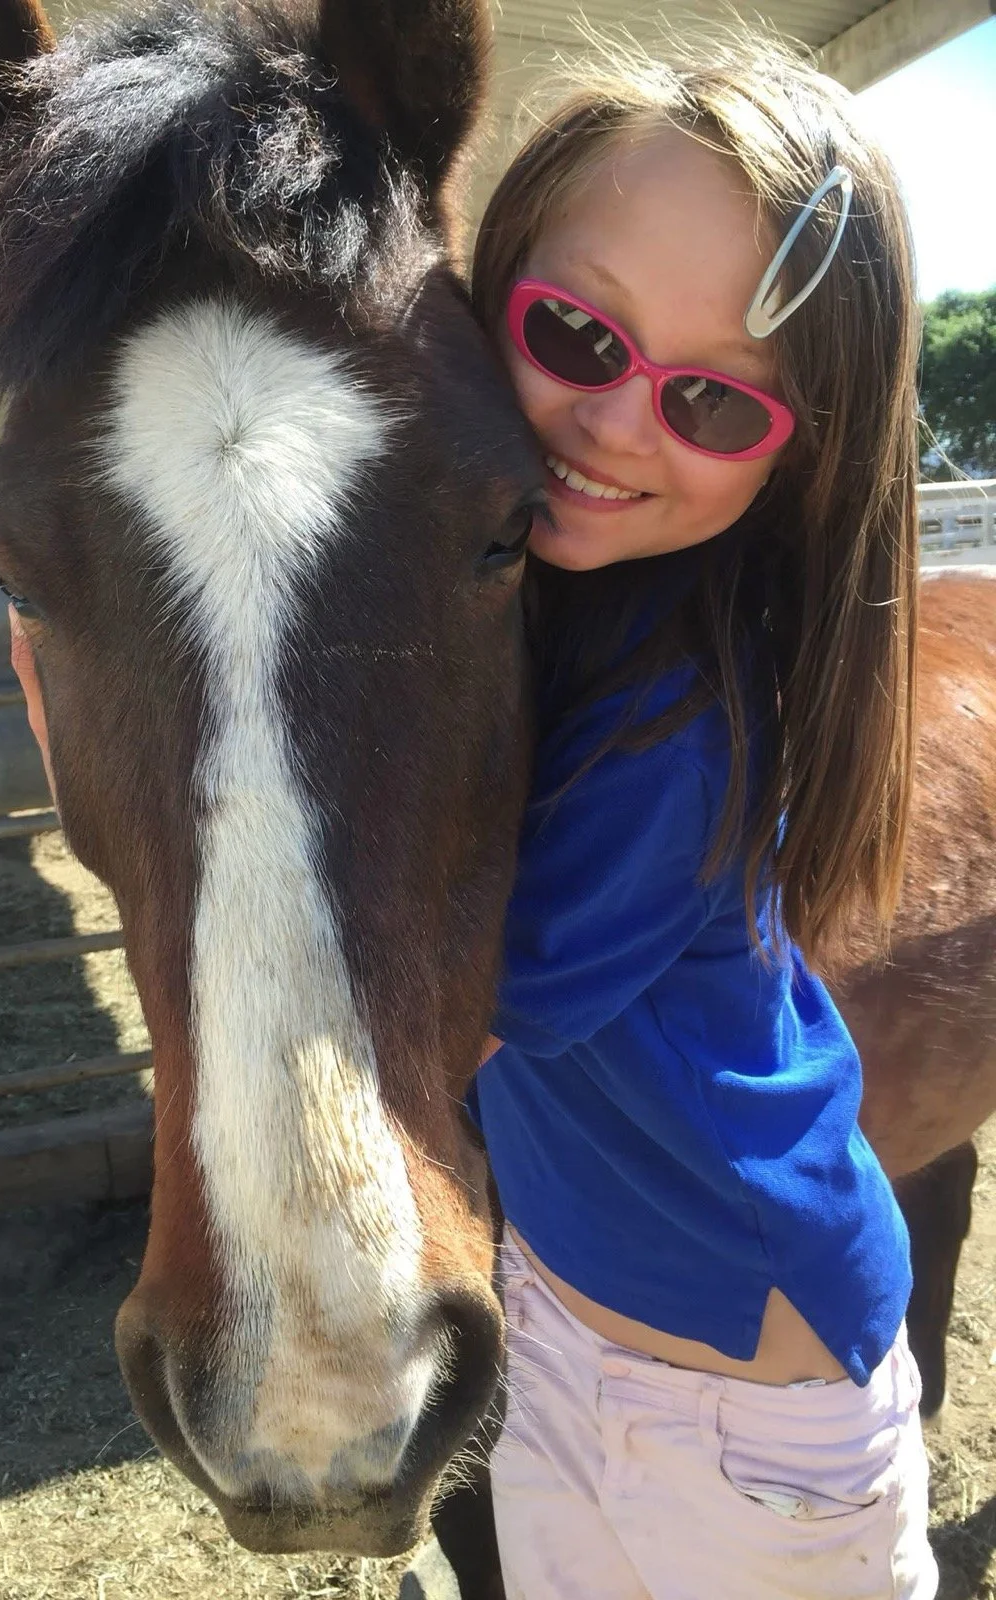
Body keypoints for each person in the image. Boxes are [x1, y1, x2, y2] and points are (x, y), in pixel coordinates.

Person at [465, 26, 935, 1600]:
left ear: (794, 468)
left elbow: (449, 1014)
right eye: (578, 336)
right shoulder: (542, 610)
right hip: (566, 1322)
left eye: (718, 409)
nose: (613, 425)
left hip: (752, 1414)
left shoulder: (683, 722)